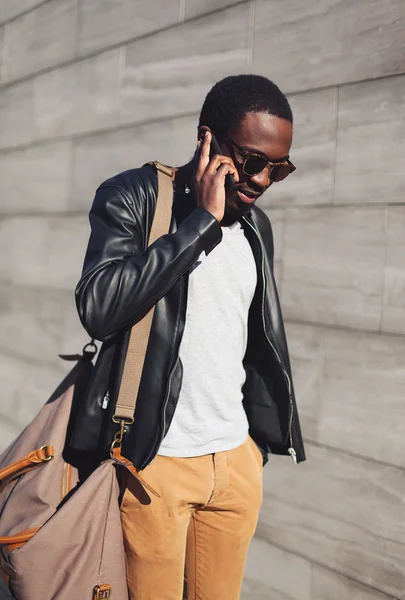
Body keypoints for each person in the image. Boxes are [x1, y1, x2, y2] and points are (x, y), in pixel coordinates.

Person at [74, 74, 306, 600]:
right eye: (252, 161)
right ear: (208, 139)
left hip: (234, 464)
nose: (263, 180)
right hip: (158, 465)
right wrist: (200, 222)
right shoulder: (133, 196)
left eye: (279, 168)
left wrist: (252, 448)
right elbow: (98, 306)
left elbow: (251, 340)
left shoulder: (255, 228)